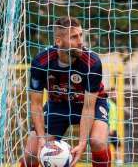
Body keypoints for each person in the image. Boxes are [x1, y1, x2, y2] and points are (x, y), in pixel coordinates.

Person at [23, 16, 111, 167]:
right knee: (31, 154)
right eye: (74, 37)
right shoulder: (41, 62)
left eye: (81, 35)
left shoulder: (92, 63)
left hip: (92, 104)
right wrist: (42, 139)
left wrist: (82, 143)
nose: (80, 41)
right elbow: (36, 105)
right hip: (58, 104)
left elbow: (88, 107)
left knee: (97, 142)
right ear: (58, 41)